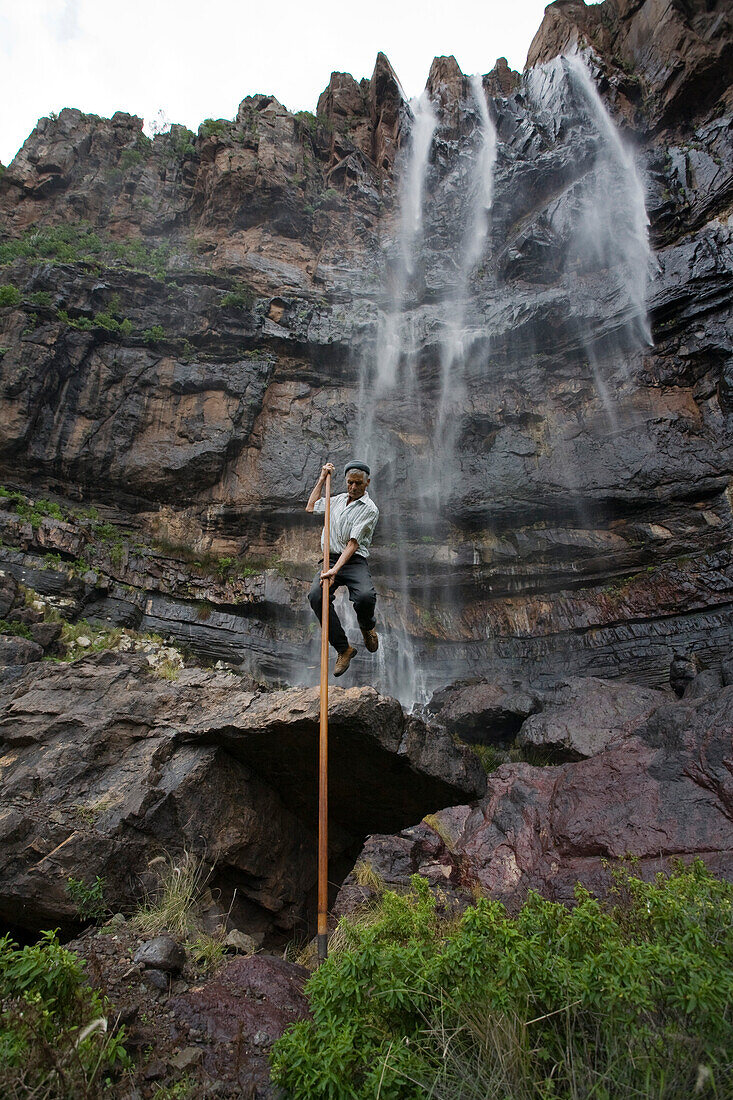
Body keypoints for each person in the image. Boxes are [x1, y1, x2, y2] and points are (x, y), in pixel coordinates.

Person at [306, 461, 379, 676]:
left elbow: (353, 544)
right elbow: (310, 507)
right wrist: (321, 478)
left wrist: (335, 571)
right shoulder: (335, 500)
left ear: (367, 483)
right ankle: (343, 649)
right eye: (350, 483)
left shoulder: (370, 509)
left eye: (358, 483)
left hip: (353, 560)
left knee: (365, 596)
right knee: (316, 596)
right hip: (330, 558)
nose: (354, 487)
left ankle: (367, 628)